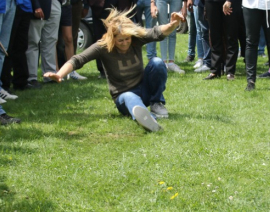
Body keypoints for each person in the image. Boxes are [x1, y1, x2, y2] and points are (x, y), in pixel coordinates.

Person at [44, 9, 185, 132]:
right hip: (123, 96)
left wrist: (173, 24)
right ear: (113, 39)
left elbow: (157, 32)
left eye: (127, 39)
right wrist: (59, 74)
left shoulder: (136, 39)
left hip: (143, 89)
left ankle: (156, 103)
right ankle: (149, 120)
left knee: (157, 62)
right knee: (130, 96)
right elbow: (78, 59)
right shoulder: (103, 47)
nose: (125, 43)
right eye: (120, 40)